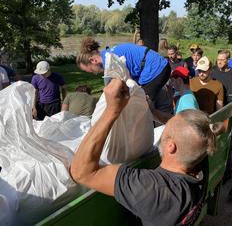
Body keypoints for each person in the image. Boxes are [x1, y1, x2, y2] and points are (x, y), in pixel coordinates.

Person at [70, 78, 218, 226]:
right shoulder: (199, 159)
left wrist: (111, 110)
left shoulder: (154, 189)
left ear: (170, 147)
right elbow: (186, 126)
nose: (163, 127)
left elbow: (82, 173)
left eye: (166, 129)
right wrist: (152, 112)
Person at [77, 38, 170, 102]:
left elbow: (118, 89)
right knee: (139, 104)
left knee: (141, 106)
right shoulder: (107, 54)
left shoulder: (110, 62)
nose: (93, 73)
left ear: (93, 60)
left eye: (90, 70)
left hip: (156, 69)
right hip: (156, 67)